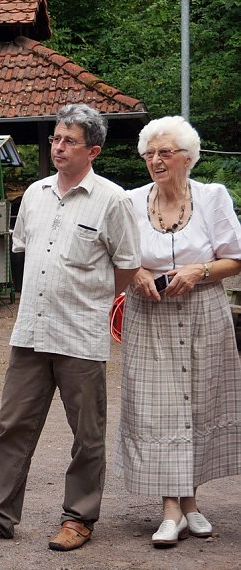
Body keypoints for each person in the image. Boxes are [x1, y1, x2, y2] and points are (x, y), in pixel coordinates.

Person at [0, 104, 141, 550]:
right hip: (30, 332)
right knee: (13, 425)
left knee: (87, 434)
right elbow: (24, 250)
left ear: (93, 151)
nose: (58, 147)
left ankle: (79, 518)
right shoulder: (35, 194)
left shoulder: (113, 200)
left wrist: (91, 300)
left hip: (80, 334)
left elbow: (128, 265)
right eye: (56, 138)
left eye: (69, 141)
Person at [114, 116, 241, 548]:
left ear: (187, 157)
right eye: (149, 153)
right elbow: (117, 254)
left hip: (204, 310)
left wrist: (199, 270)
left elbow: (235, 258)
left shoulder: (212, 197)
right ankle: (172, 508)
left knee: (199, 403)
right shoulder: (130, 201)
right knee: (157, 408)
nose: (156, 160)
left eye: (165, 152)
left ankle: (189, 503)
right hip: (150, 312)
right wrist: (137, 272)